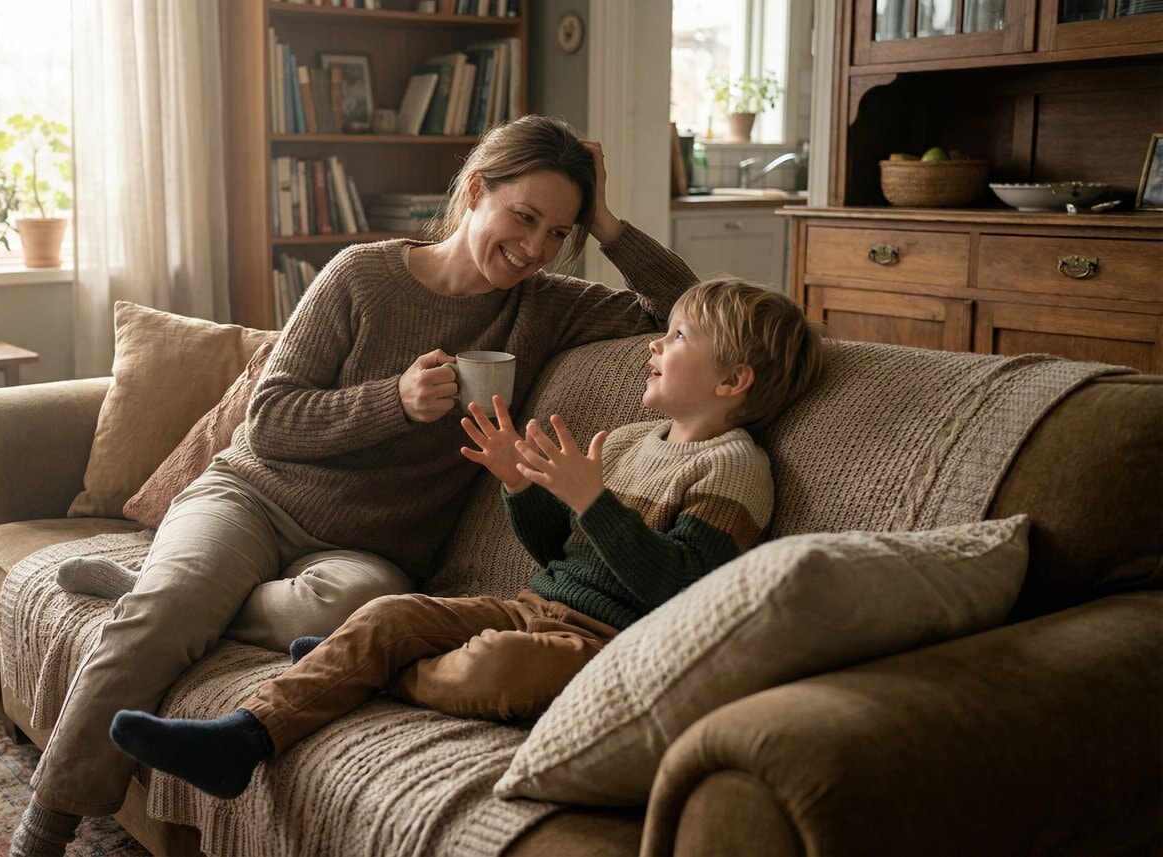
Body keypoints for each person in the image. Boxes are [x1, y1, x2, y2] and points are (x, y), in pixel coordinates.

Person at [11, 114, 702, 855]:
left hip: (369, 550)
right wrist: (392, 402)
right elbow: (270, 417)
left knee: (354, 607)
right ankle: (47, 822)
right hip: (255, 496)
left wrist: (606, 221)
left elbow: (689, 307)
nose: (535, 248)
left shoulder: (549, 305)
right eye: (524, 217)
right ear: (476, 191)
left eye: (558, 233)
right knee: (164, 612)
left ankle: (173, 590)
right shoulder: (361, 275)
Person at [106, 278, 827, 801]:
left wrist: (592, 499)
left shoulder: (737, 469)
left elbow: (680, 588)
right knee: (390, 613)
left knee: (497, 664)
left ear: (733, 378)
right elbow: (563, 556)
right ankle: (244, 736)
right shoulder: (638, 439)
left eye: (676, 337)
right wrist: (520, 486)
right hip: (531, 605)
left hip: (609, 647)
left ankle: (368, 670)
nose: (654, 344)